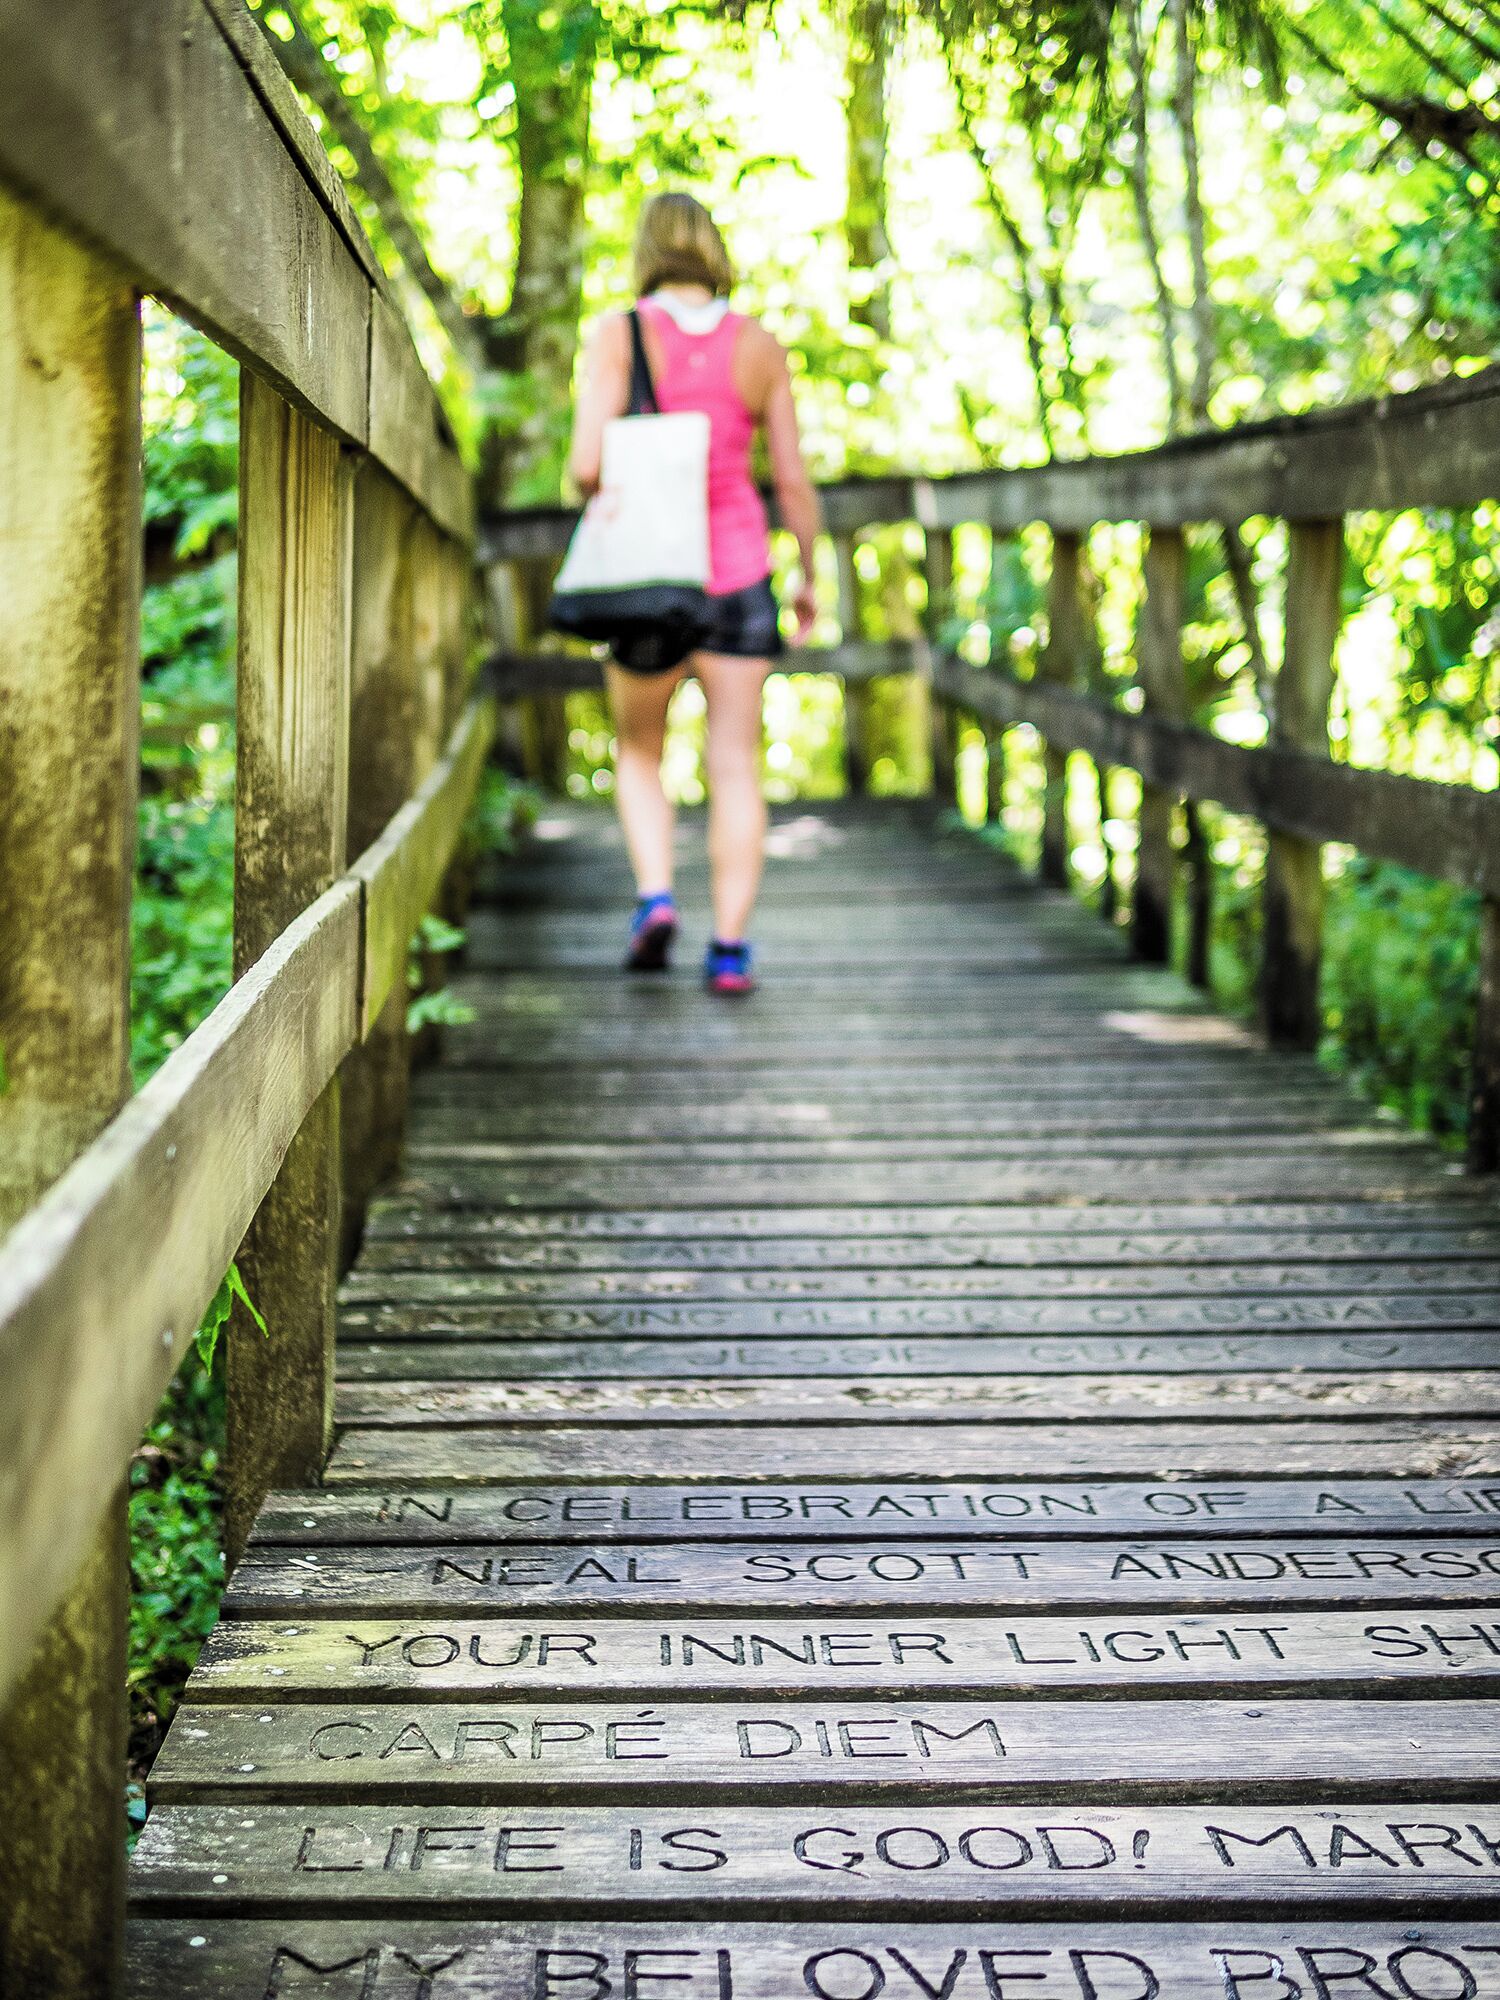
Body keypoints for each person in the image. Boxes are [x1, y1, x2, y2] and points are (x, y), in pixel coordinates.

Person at [567, 191, 822, 995]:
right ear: (714, 250)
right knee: (735, 766)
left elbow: (584, 465)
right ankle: (731, 950)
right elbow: (790, 478)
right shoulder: (760, 345)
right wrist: (809, 572)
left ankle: (656, 899)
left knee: (641, 751)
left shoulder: (620, 333)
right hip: (740, 575)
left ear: (646, 249)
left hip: (650, 578)